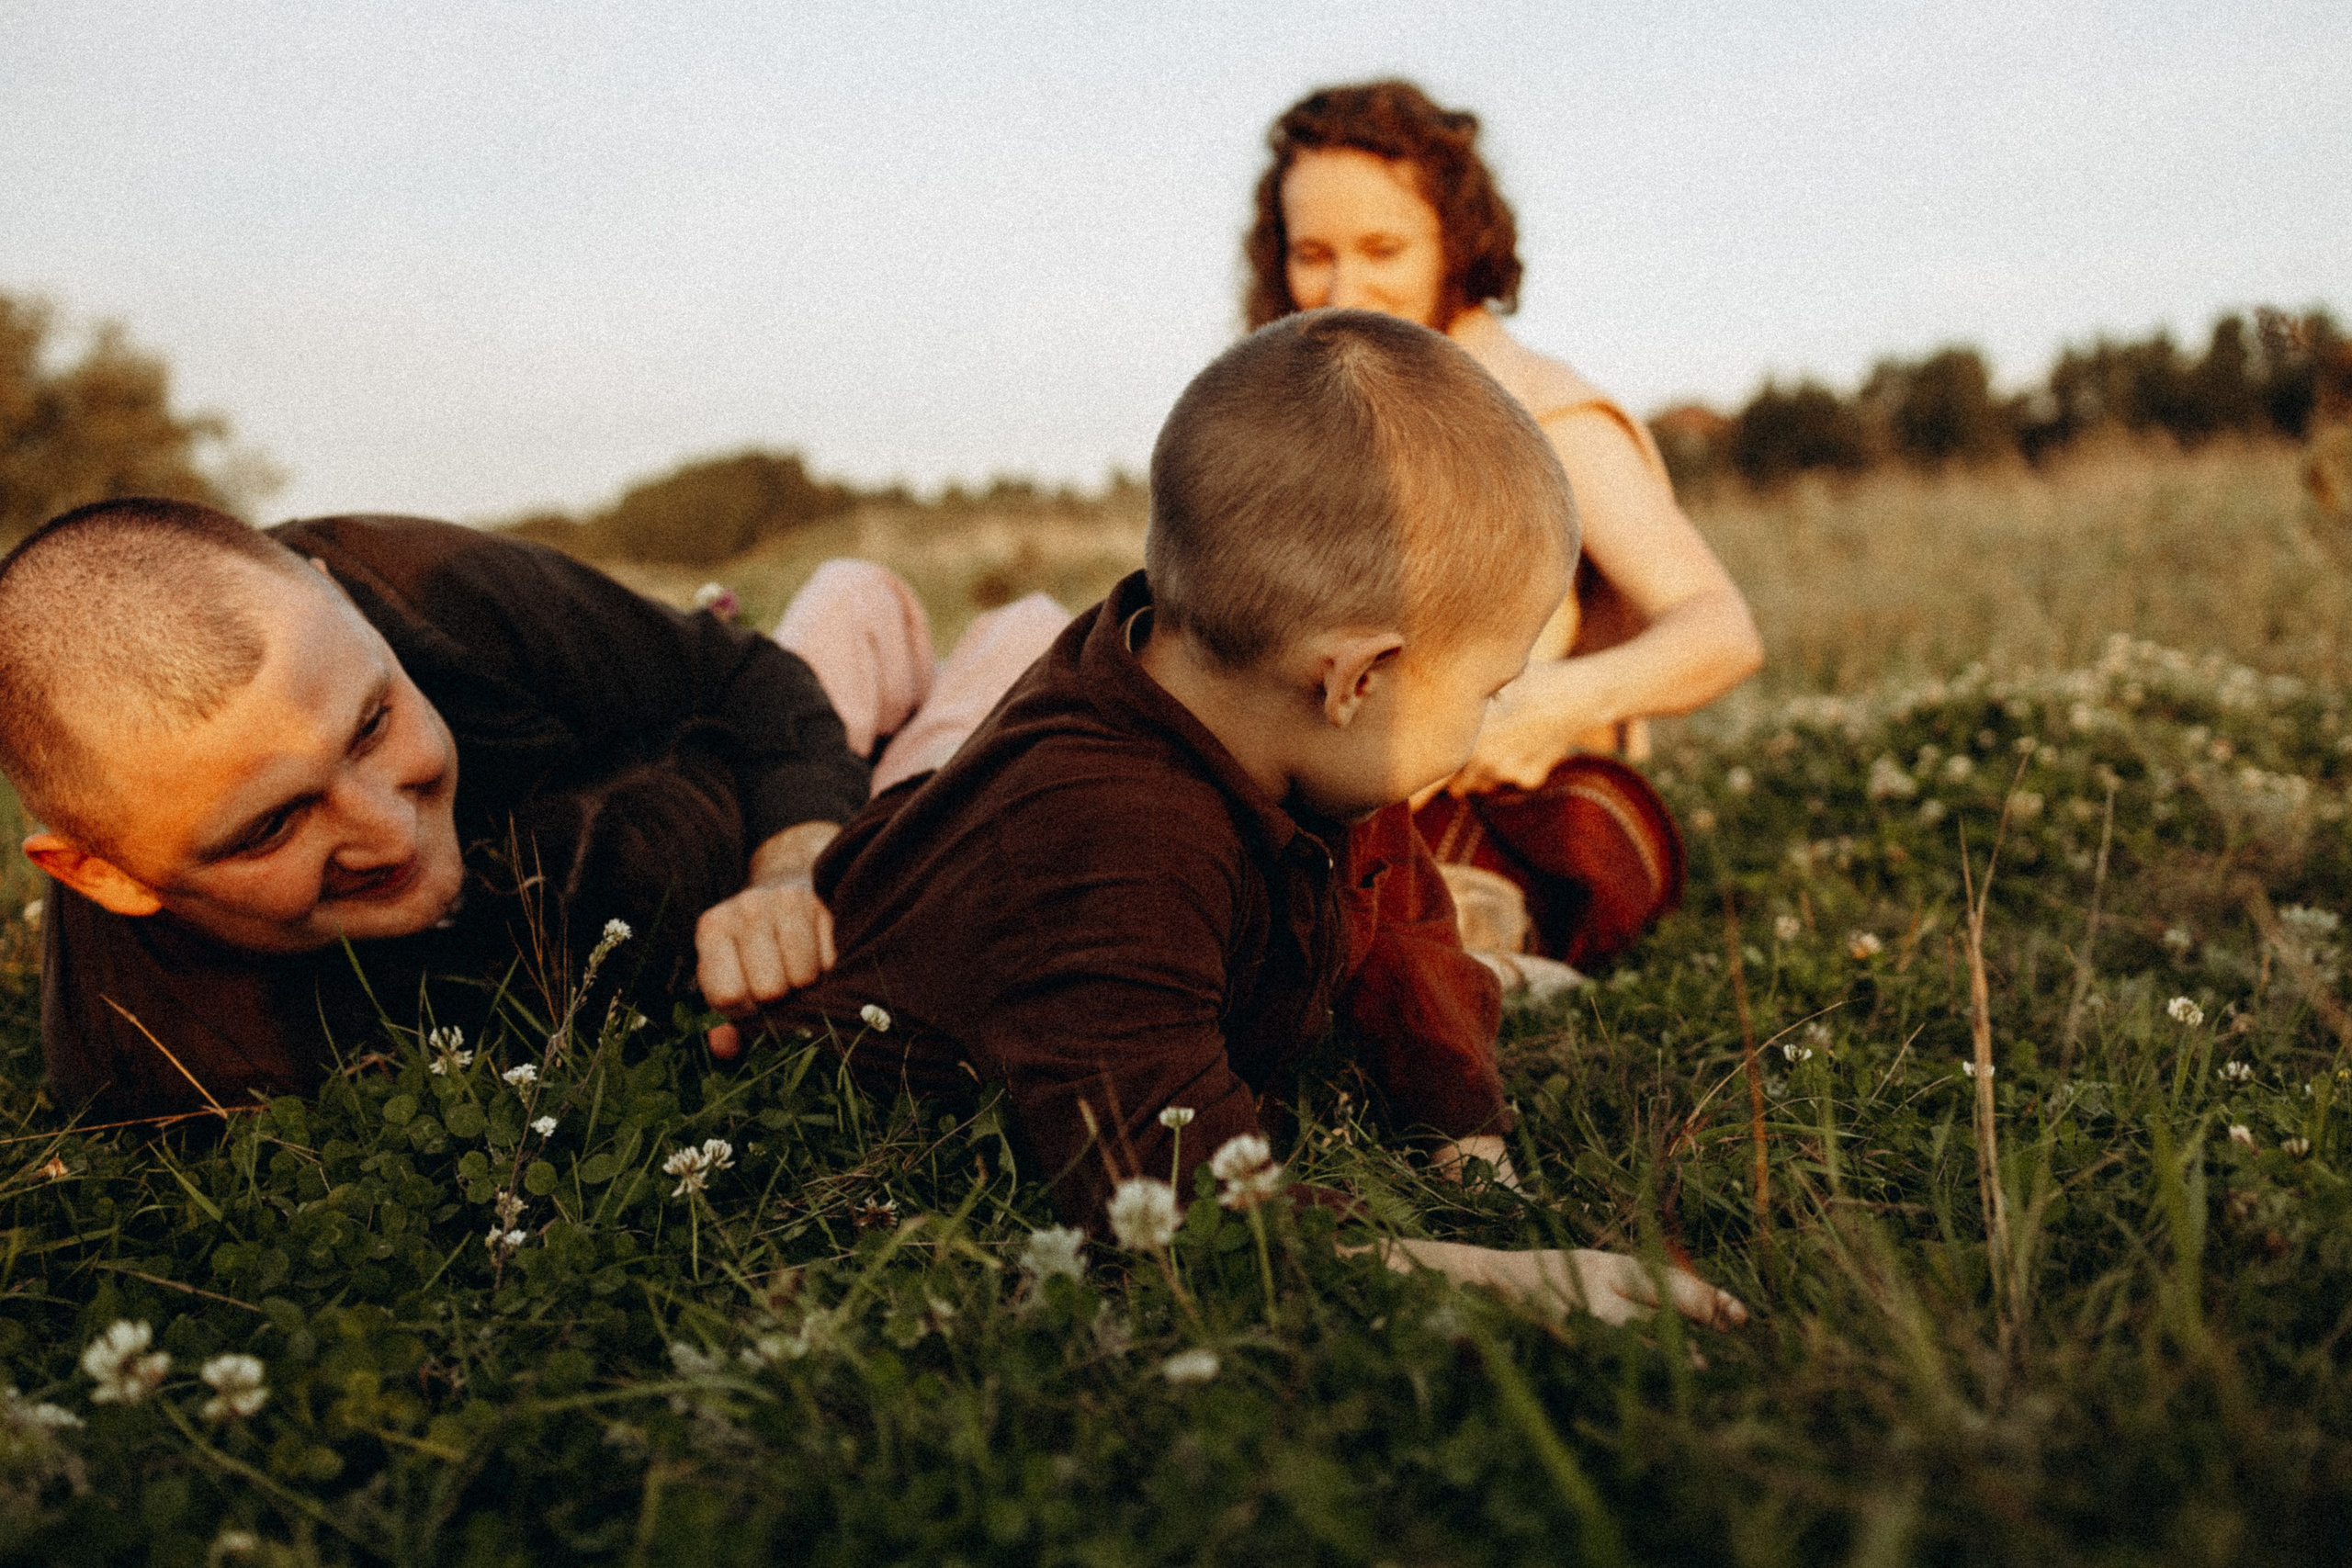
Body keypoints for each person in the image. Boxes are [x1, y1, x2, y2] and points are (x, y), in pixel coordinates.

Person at [774, 310, 1747, 1330]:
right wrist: (1520, 1281)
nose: (1486, 723)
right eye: (1489, 689)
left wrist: (1469, 1136)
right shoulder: (1112, 846)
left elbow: (1402, 927)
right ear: (1357, 678)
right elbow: (1176, 1216)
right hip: (844, 984)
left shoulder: (1283, 723)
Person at [0, 502, 881, 1122]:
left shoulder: (420, 583)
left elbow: (740, 676)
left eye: (374, 725)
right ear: (102, 875)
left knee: (860, 601)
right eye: (272, 825)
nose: (387, 831)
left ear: (341, 601)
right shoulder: (157, 1071)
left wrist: (797, 862)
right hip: (665, 825)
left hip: (719, 765)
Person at [1243, 80, 1764, 972]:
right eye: (1312, 253)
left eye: (1383, 249)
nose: (1341, 289)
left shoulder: (1542, 410)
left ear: (1455, 243)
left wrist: (1541, 708)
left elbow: (1720, 630)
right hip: (1314, 774)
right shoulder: (1318, 411)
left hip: (1464, 795)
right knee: (1022, 642)